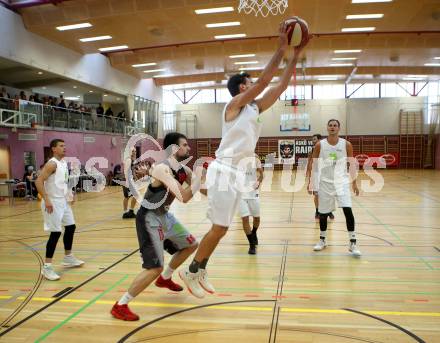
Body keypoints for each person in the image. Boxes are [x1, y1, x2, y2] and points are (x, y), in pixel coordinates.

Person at [179, 20, 312, 298]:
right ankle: (190, 271)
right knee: (219, 228)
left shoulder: (254, 107)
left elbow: (279, 87)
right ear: (242, 87)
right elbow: (266, 81)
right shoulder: (233, 106)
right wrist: (281, 48)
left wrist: (295, 58)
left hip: (238, 172)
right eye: (250, 83)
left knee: (222, 229)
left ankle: (199, 267)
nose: (256, 86)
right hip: (224, 169)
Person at [111, 132, 203, 321]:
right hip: (149, 218)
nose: (189, 148)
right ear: (174, 149)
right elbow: (184, 197)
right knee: (154, 267)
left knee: (191, 245)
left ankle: (165, 278)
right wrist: (198, 180)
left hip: (164, 216)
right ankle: (120, 305)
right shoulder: (163, 169)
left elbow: (198, 187)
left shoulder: (183, 170)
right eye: (185, 145)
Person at [309, 119, 361, 257]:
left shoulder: (346, 144)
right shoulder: (320, 145)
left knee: (347, 210)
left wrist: (354, 182)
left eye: (335, 126)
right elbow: (314, 165)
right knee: (323, 214)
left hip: (341, 182)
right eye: (330, 125)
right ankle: (322, 240)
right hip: (325, 183)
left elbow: (352, 164)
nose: (332, 127)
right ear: (327, 128)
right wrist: (312, 183)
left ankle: (352, 242)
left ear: (339, 128)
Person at [35, 139, 84, 281]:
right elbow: (38, 181)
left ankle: (68, 257)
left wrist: (70, 193)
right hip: (52, 202)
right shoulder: (51, 164)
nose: (64, 148)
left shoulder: (62, 163)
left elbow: (62, 182)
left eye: (65, 145)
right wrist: (47, 199)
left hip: (63, 201)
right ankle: (47, 267)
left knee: (71, 227)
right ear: (53, 149)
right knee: (55, 233)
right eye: (61, 146)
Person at [240, 154, 263, 255]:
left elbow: (261, 173)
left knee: (256, 218)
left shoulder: (255, 158)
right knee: (245, 218)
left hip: (253, 193)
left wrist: (258, 182)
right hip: (240, 194)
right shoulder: (235, 158)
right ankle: (251, 245)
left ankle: (254, 233)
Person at [307, 134, 334, 221]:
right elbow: (309, 163)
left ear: (319, 140)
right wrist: (309, 177)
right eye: (312, 140)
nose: (313, 141)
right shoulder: (311, 151)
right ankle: (317, 211)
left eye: (314, 139)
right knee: (317, 195)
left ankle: (328, 210)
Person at [121, 149, 138, 219]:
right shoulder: (128, 160)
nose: (134, 152)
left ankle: (130, 211)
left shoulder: (133, 160)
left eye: (135, 151)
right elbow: (126, 171)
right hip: (127, 181)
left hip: (130, 180)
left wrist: (136, 178)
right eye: (132, 151)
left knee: (134, 195)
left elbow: (133, 170)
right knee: (127, 197)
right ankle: (125, 213)